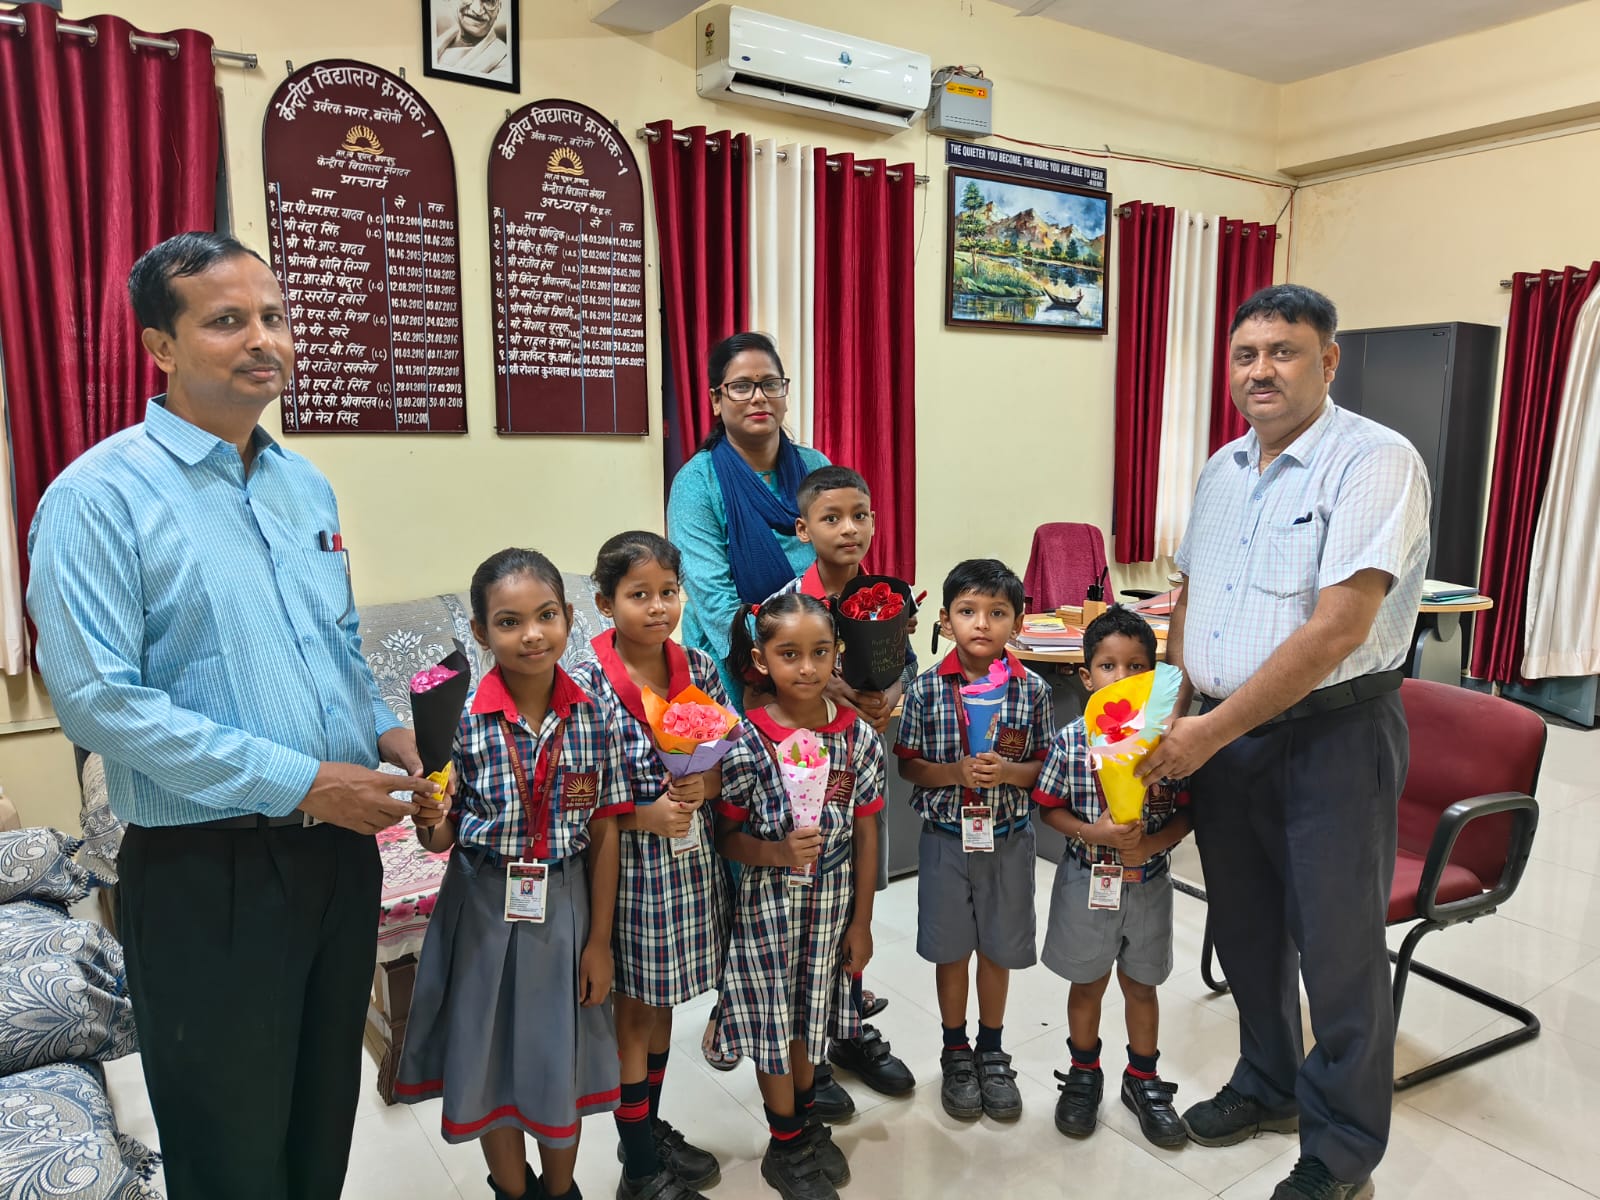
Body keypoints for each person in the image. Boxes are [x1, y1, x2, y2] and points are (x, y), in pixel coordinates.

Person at [25, 232, 441, 1200]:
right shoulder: (98, 498)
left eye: (274, 316)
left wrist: (386, 733)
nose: (265, 340)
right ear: (159, 347)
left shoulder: (303, 486)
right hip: (207, 876)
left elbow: (336, 643)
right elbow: (98, 701)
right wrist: (304, 781)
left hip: (338, 864)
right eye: (226, 321)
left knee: (315, 1128)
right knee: (228, 1155)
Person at [1136, 284, 1430, 1200]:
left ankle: (1341, 1153)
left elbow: (1338, 629)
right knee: (1249, 929)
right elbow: (1192, 599)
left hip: (1330, 739)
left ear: (1329, 359)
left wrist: (1208, 732)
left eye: (1284, 351)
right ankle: (1267, 1085)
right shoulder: (1222, 469)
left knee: (1340, 955)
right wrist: (1169, 715)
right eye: (1245, 355)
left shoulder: (1374, 461)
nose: (1260, 370)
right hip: (1223, 736)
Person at [396, 549, 631, 1200]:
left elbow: (605, 829)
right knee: (490, 1061)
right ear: (480, 633)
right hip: (482, 905)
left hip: (567, 906)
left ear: (568, 617)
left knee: (562, 1063)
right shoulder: (463, 722)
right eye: (509, 621)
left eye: (547, 615)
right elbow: (440, 838)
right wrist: (428, 811)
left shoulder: (594, 713)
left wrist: (599, 942)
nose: (532, 634)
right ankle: (511, 1190)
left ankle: (561, 1191)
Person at [572, 532, 730, 1200]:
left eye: (668, 592)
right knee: (633, 1017)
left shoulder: (696, 665)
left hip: (690, 868)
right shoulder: (583, 685)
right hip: (626, 875)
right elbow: (573, 794)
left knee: (662, 1008)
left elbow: (726, 759)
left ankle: (649, 1126)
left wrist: (703, 788)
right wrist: (644, 814)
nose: (658, 607)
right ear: (606, 603)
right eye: (640, 595)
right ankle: (638, 1169)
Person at [714, 593, 885, 1200]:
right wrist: (779, 854)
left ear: (838, 655)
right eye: (789, 655)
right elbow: (727, 839)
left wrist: (861, 921)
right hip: (766, 904)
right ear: (761, 661)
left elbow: (867, 829)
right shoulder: (746, 741)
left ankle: (805, 1120)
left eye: (820, 653)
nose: (807, 669)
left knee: (812, 1012)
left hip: (834, 898)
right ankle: (784, 1143)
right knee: (773, 1019)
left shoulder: (857, 738)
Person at [770, 465, 916, 1110]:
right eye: (831, 518)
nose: (848, 528)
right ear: (804, 529)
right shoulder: (783, 605)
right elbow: (762, 685)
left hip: (861, 769)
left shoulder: (886, 596)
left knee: (857, 901)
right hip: (801, 784)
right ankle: (812, 1050)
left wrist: (887, 695)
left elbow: (901, 666)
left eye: (860, 514)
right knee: (806, 919)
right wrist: (828, 686)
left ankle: (850, 1026)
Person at [895, 560, 1053, 1123]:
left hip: (1008, 839)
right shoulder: (924, 690)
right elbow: (908, 766)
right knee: (951, 949)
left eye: (996, 613)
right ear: (944, 621)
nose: (981, 624)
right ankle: (955, 1047)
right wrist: (954, 773)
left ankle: (991, 1048)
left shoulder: (1031, 691)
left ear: (1018, 621)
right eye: (967, 612)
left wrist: (1007, 774)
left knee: (998, 947)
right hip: (945, 840)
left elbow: (1042, 767)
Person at [1033, 607, 1191, 1148]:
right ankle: (1083, 1073)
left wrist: (1149, 843)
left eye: (1136, 667)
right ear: (1086, 676)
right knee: (1087, 982)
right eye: (1107, 666)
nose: (1120, 679)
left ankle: (1143, 1079)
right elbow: (1047, 809)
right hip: (1086, 881)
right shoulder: (1071, 742)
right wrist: (1092, 832)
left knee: (1142, 984)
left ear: (1154, 675)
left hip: (1149, 884)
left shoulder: (1167, 746)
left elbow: (1190, 813)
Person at [667, 331, 830, 708]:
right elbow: (718, 607)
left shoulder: (815, 468)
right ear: (715, 400)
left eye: (770, 384)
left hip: (820, 664)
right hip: (734, 670)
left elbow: (840, 566)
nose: (758, 397)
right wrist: (795, 654)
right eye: (741, 386)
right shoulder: (697, 484)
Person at [433, 0, 512, 79]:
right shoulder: (438, 43)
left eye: (488, 1)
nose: (477, 10)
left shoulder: (504, 64)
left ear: (498, 8)